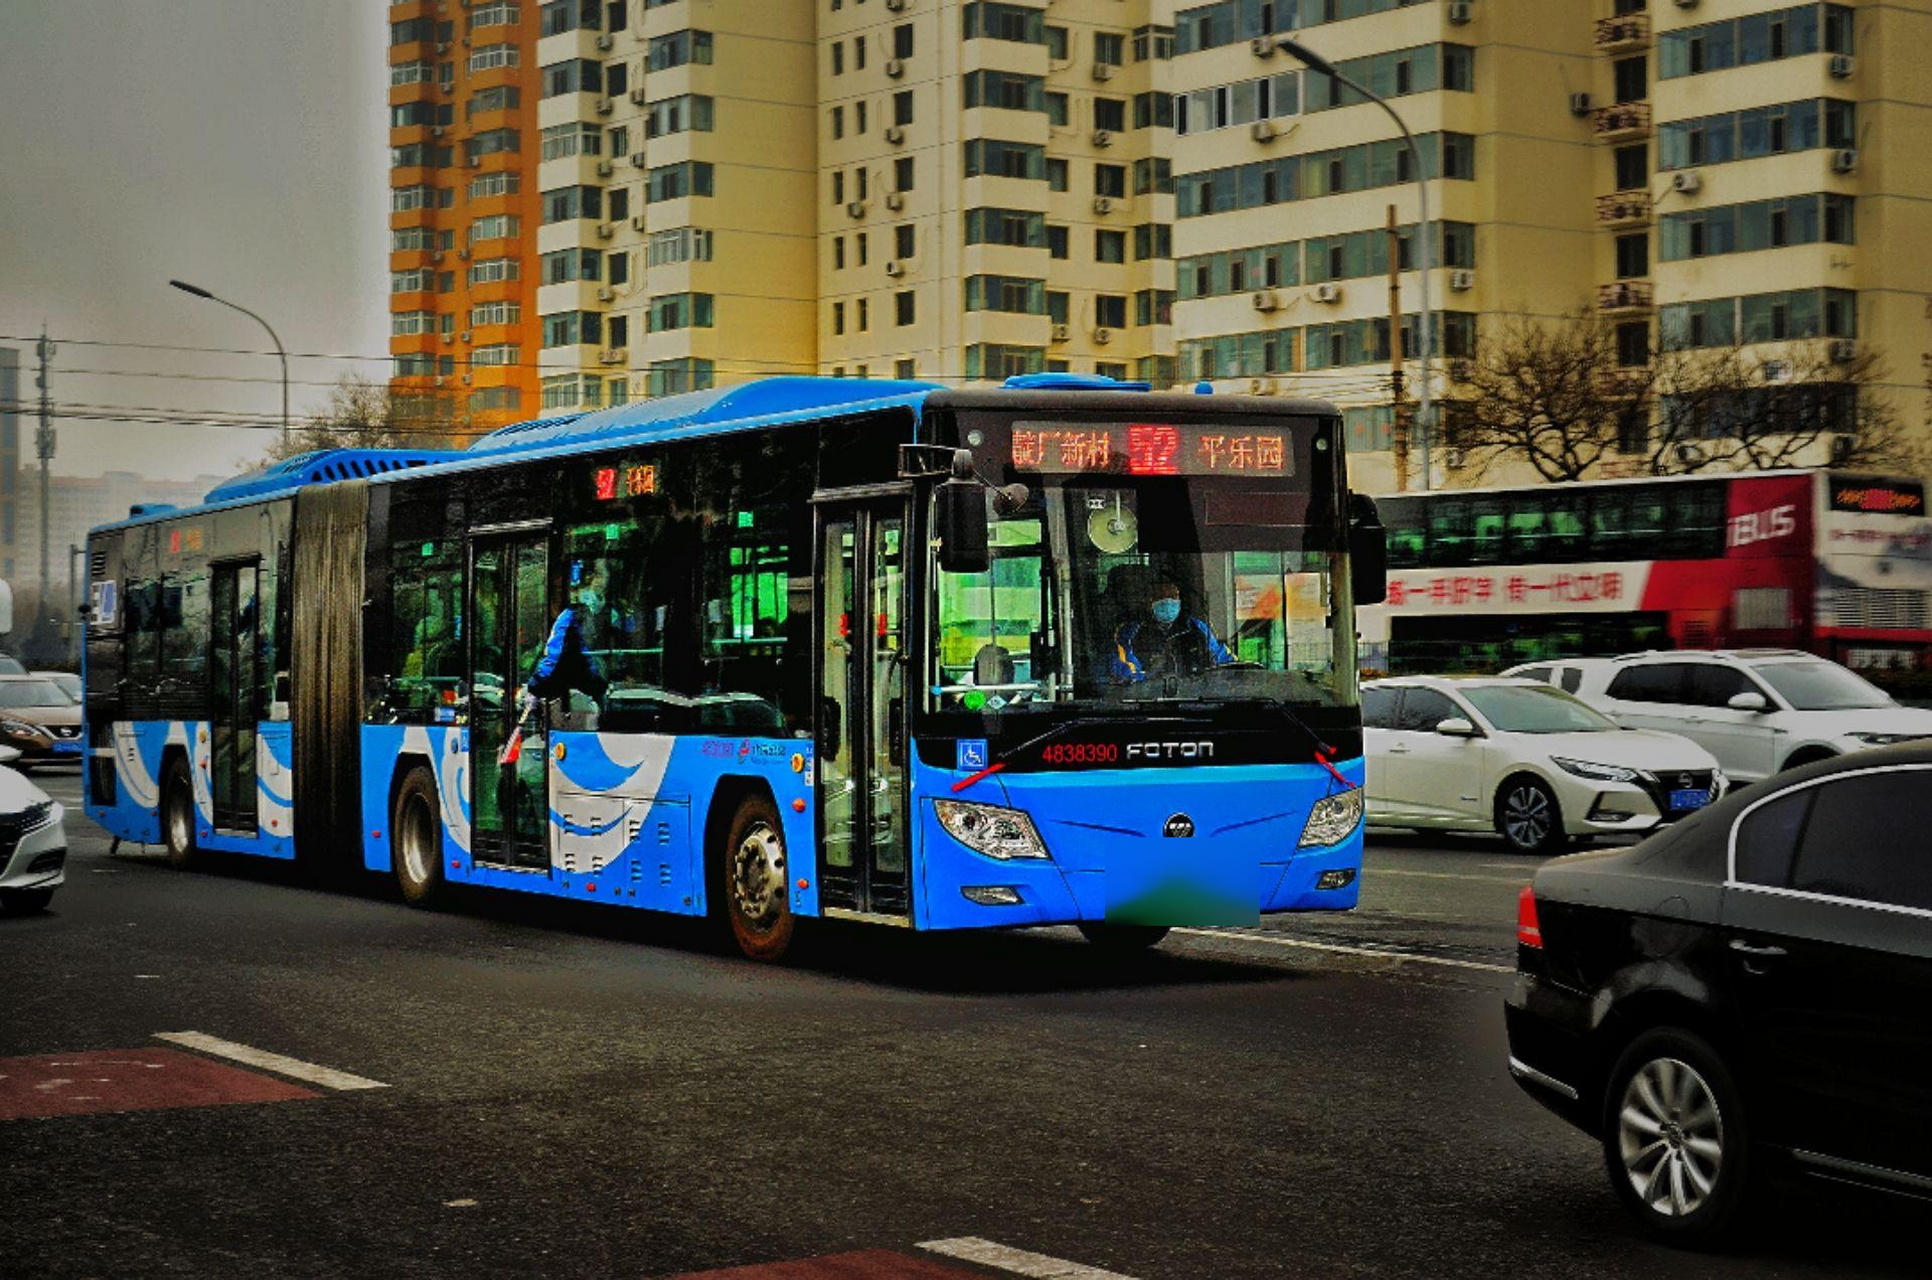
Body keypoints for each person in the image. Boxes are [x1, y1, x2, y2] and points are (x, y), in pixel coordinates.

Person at [525, 561, 613, 707]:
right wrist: (535, 688)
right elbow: (558, 655)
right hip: (569, 694)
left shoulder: (579, 615)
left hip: (575, 692)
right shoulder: (572, 616)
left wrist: (535, 688)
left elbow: (581, 656)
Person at [1110, 579, 1235, 682]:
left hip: (1196, 698)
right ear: (1148, 602)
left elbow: (1225, 661)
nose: (1168, 602)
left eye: (1172, 596)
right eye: (1160, 597)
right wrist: (1152, 675)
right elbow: (1126, 673)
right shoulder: (1129, 633)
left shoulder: (1196, 627)